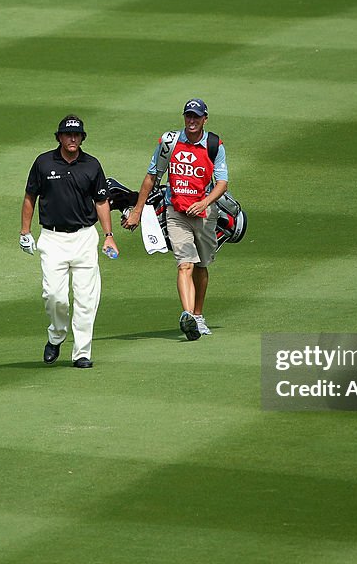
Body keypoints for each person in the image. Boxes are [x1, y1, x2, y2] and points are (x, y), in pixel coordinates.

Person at [121, 98, 229, 341]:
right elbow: (152, 176)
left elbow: (222, 183)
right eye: (188, 116)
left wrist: (204, 202)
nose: (192, 121)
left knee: (201, 265)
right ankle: (188, 315)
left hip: (205, 214)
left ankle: (198, 315)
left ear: (205, 119)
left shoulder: (214, 145)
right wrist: (137, 210)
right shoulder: (169, 143)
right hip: (176, 211)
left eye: (196, 117)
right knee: (184, 264)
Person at [20, 115, 118, 368]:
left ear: (82, 138)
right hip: (52, 239)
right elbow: (30, 196)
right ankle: (56, 335)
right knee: (55, 296)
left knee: (87, 300)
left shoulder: (92, 165)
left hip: (85, 237)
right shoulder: (43, 163)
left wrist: (108, 236)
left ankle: (82, 353)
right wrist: (25, 232)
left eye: (77, 135)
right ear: (59, 137)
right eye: (67, 134)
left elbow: (101, 201)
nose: (72, 138)